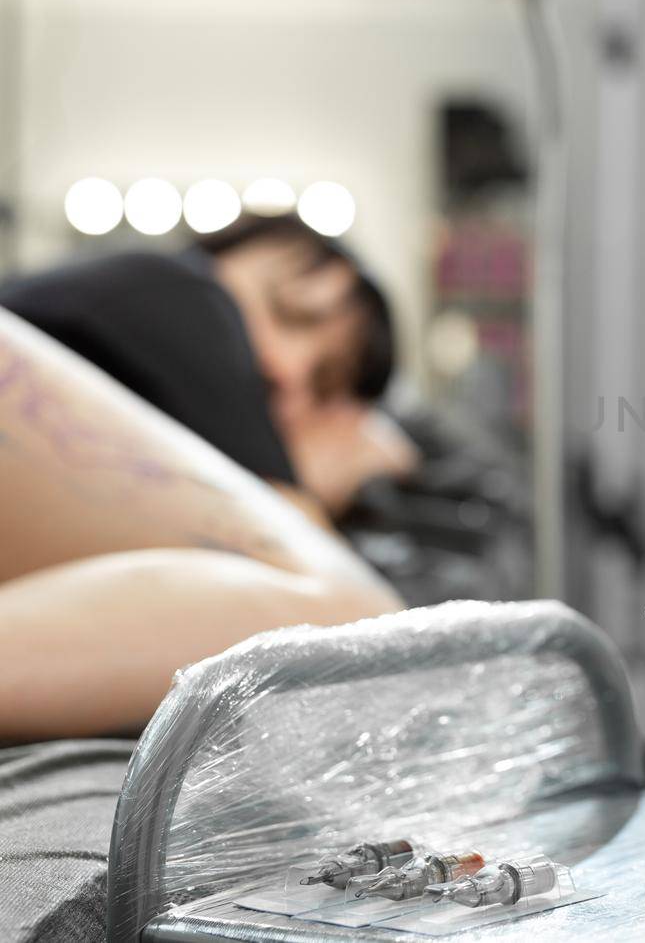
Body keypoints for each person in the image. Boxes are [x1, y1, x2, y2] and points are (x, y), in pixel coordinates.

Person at [0, 216, 415, 741]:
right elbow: (311, 559)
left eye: (323, 381)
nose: (286, 367)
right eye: (293, 314)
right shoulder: (184, 287)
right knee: (346, 624)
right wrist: (322, 482)